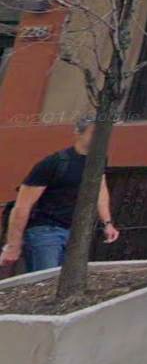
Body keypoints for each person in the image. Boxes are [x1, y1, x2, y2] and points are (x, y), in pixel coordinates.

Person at [0, 117, 119, 273]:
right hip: (46, 229)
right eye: (94, 133)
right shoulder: (54, 163)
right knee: (46, 278)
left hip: (75, 230)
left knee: (66, 279)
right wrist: (13, 245)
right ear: (79, 133)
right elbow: (22, 206)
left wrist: (107, 223)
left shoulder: (98, 161)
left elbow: (100, 190)